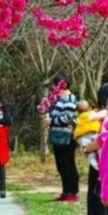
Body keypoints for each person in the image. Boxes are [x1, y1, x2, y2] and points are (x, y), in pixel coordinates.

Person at [77, 91, 108, 215]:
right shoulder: (99, 116)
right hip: (100, 165)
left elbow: (103, 139)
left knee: (104, 201)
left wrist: (87, 148)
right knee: (99, 200)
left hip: (106, 167)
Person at [45, 74, 79, 202]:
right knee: (61, 165)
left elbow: (69, 118)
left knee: (68, 165)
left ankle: (72, 192)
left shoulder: (70, 99)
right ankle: (65, 191)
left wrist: (52, 121)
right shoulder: (59, 100)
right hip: (57, 136)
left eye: (55, 86)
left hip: (67, 136)